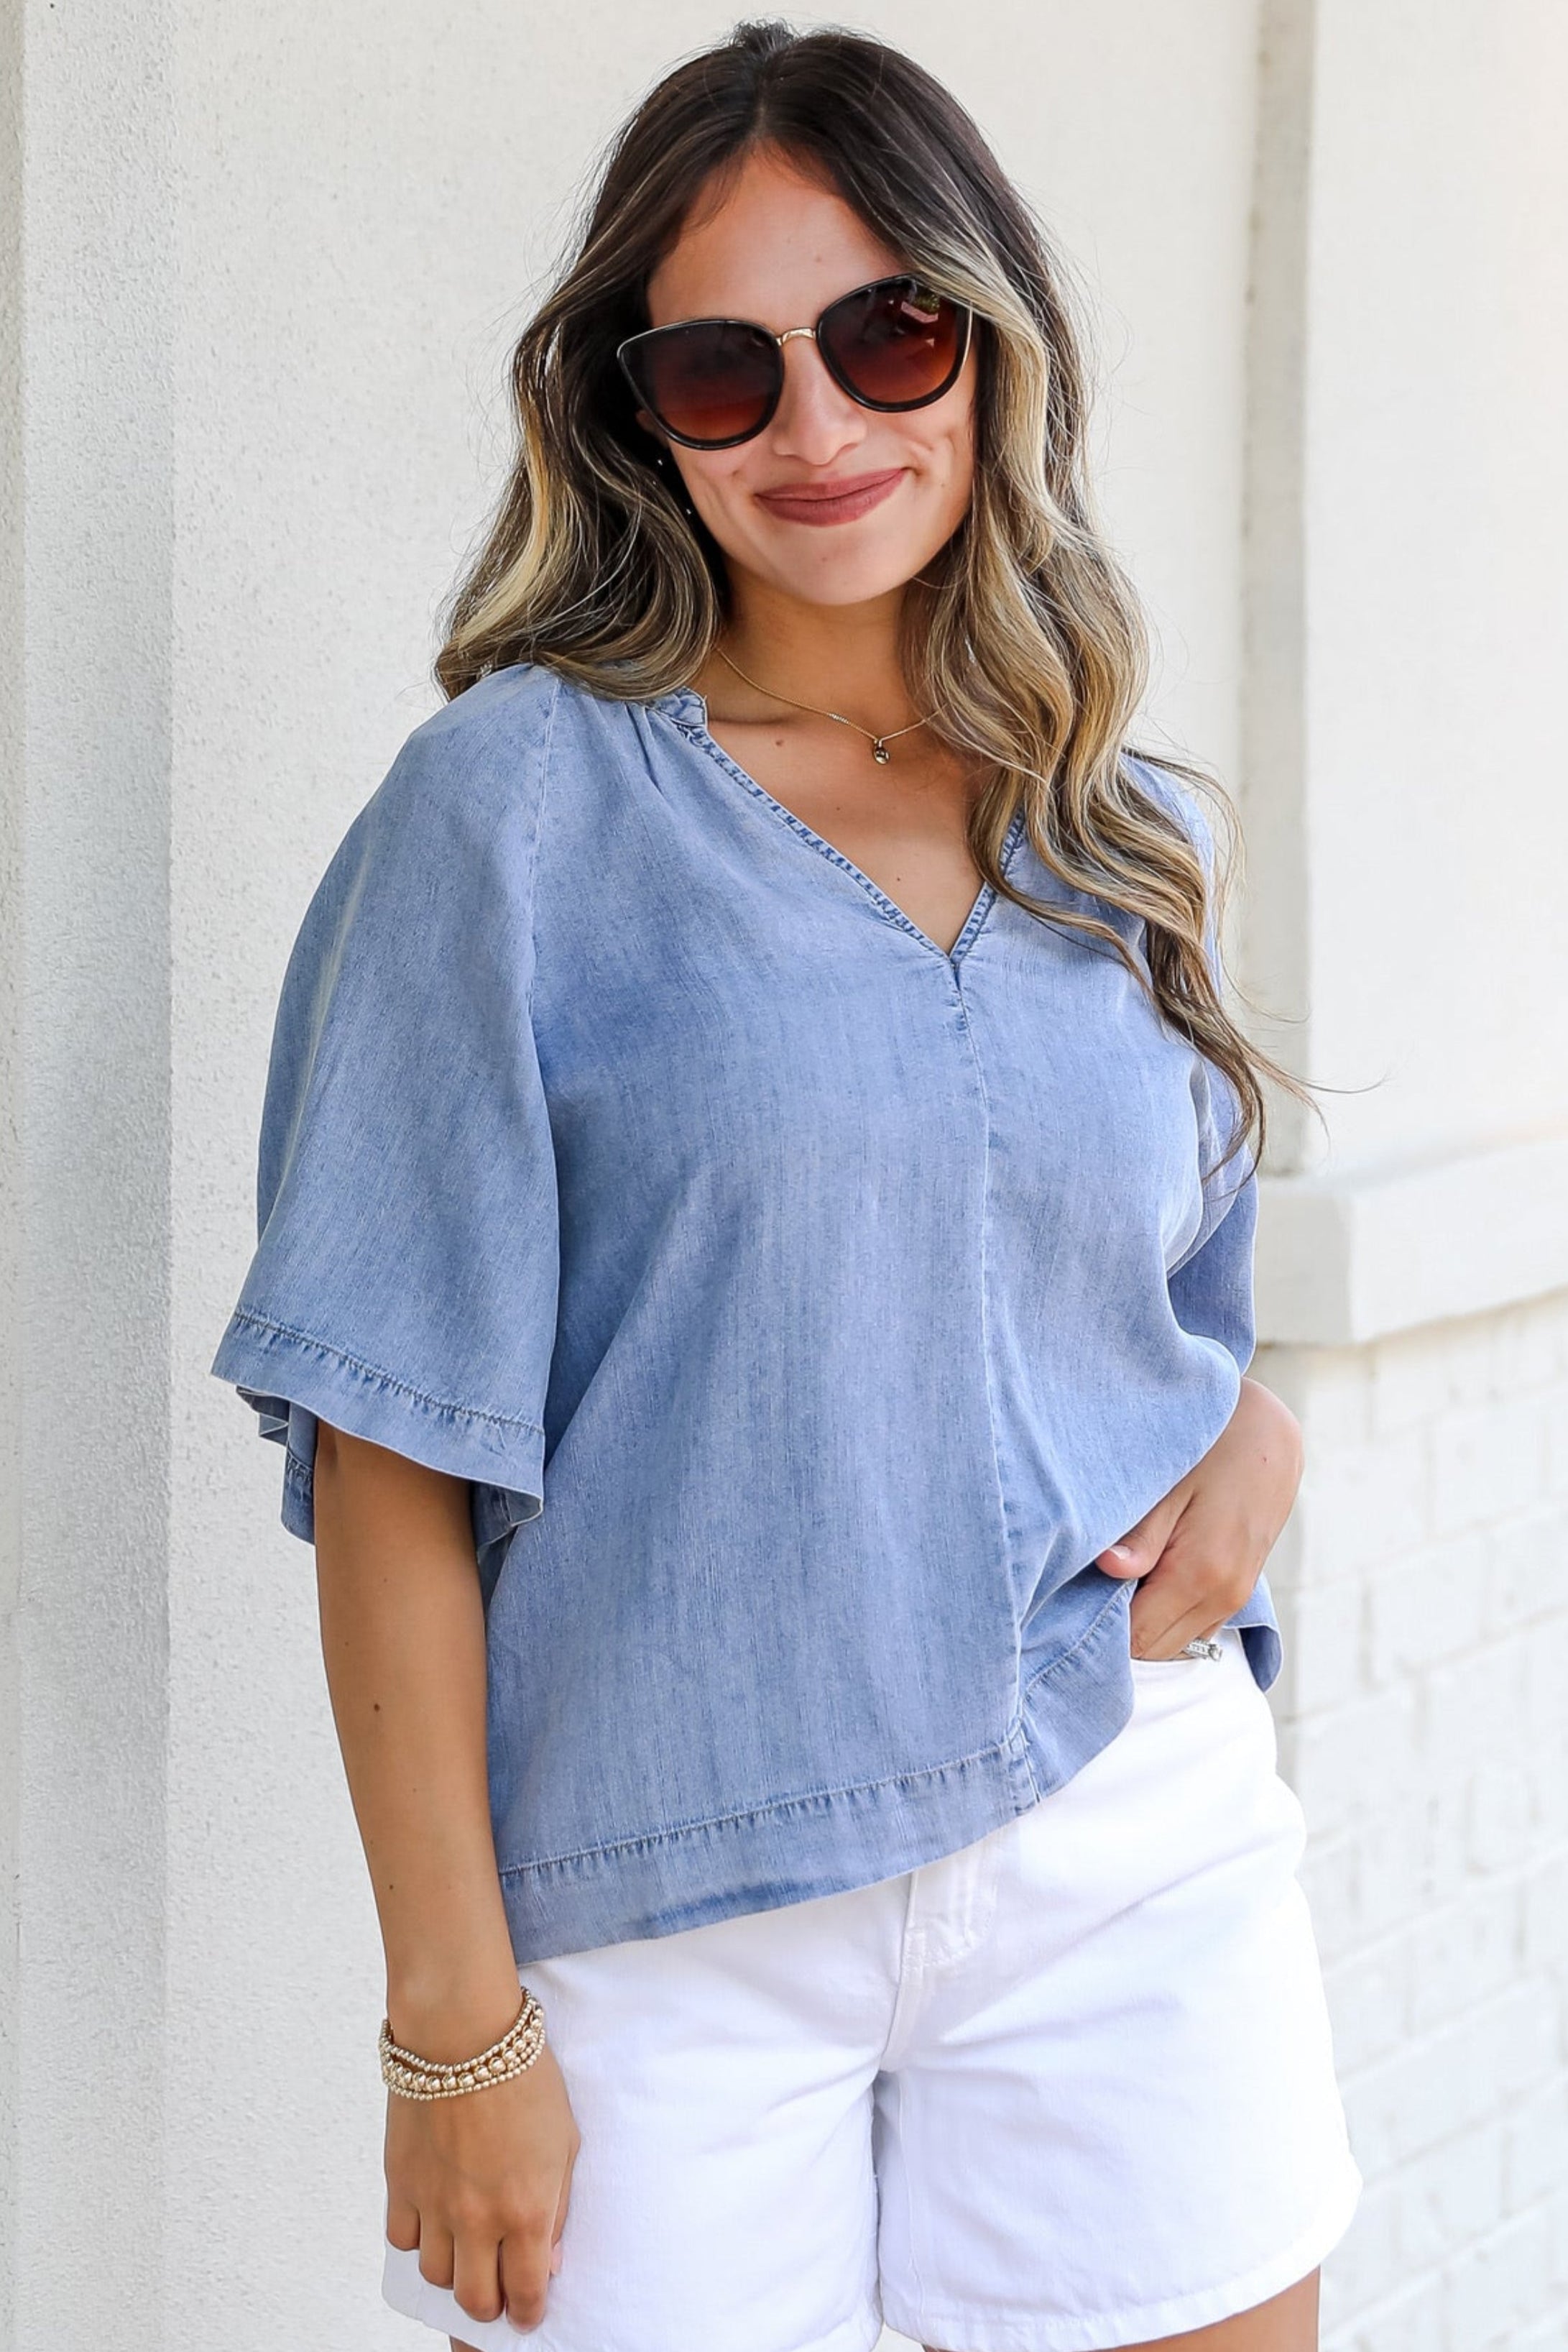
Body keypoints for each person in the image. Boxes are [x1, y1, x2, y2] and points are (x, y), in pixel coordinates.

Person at [211, 21, 1360, 2352]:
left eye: (884, 336)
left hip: (1120, 1827)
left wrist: (1253, 1424)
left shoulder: (1126, 828)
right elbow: (392, 1444)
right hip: (667, 1913)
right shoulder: (513, 819)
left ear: (988, 335)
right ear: (642, 414)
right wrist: (457, 2020)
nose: (821, 428)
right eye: (724, 373)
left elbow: (1149, 1291)